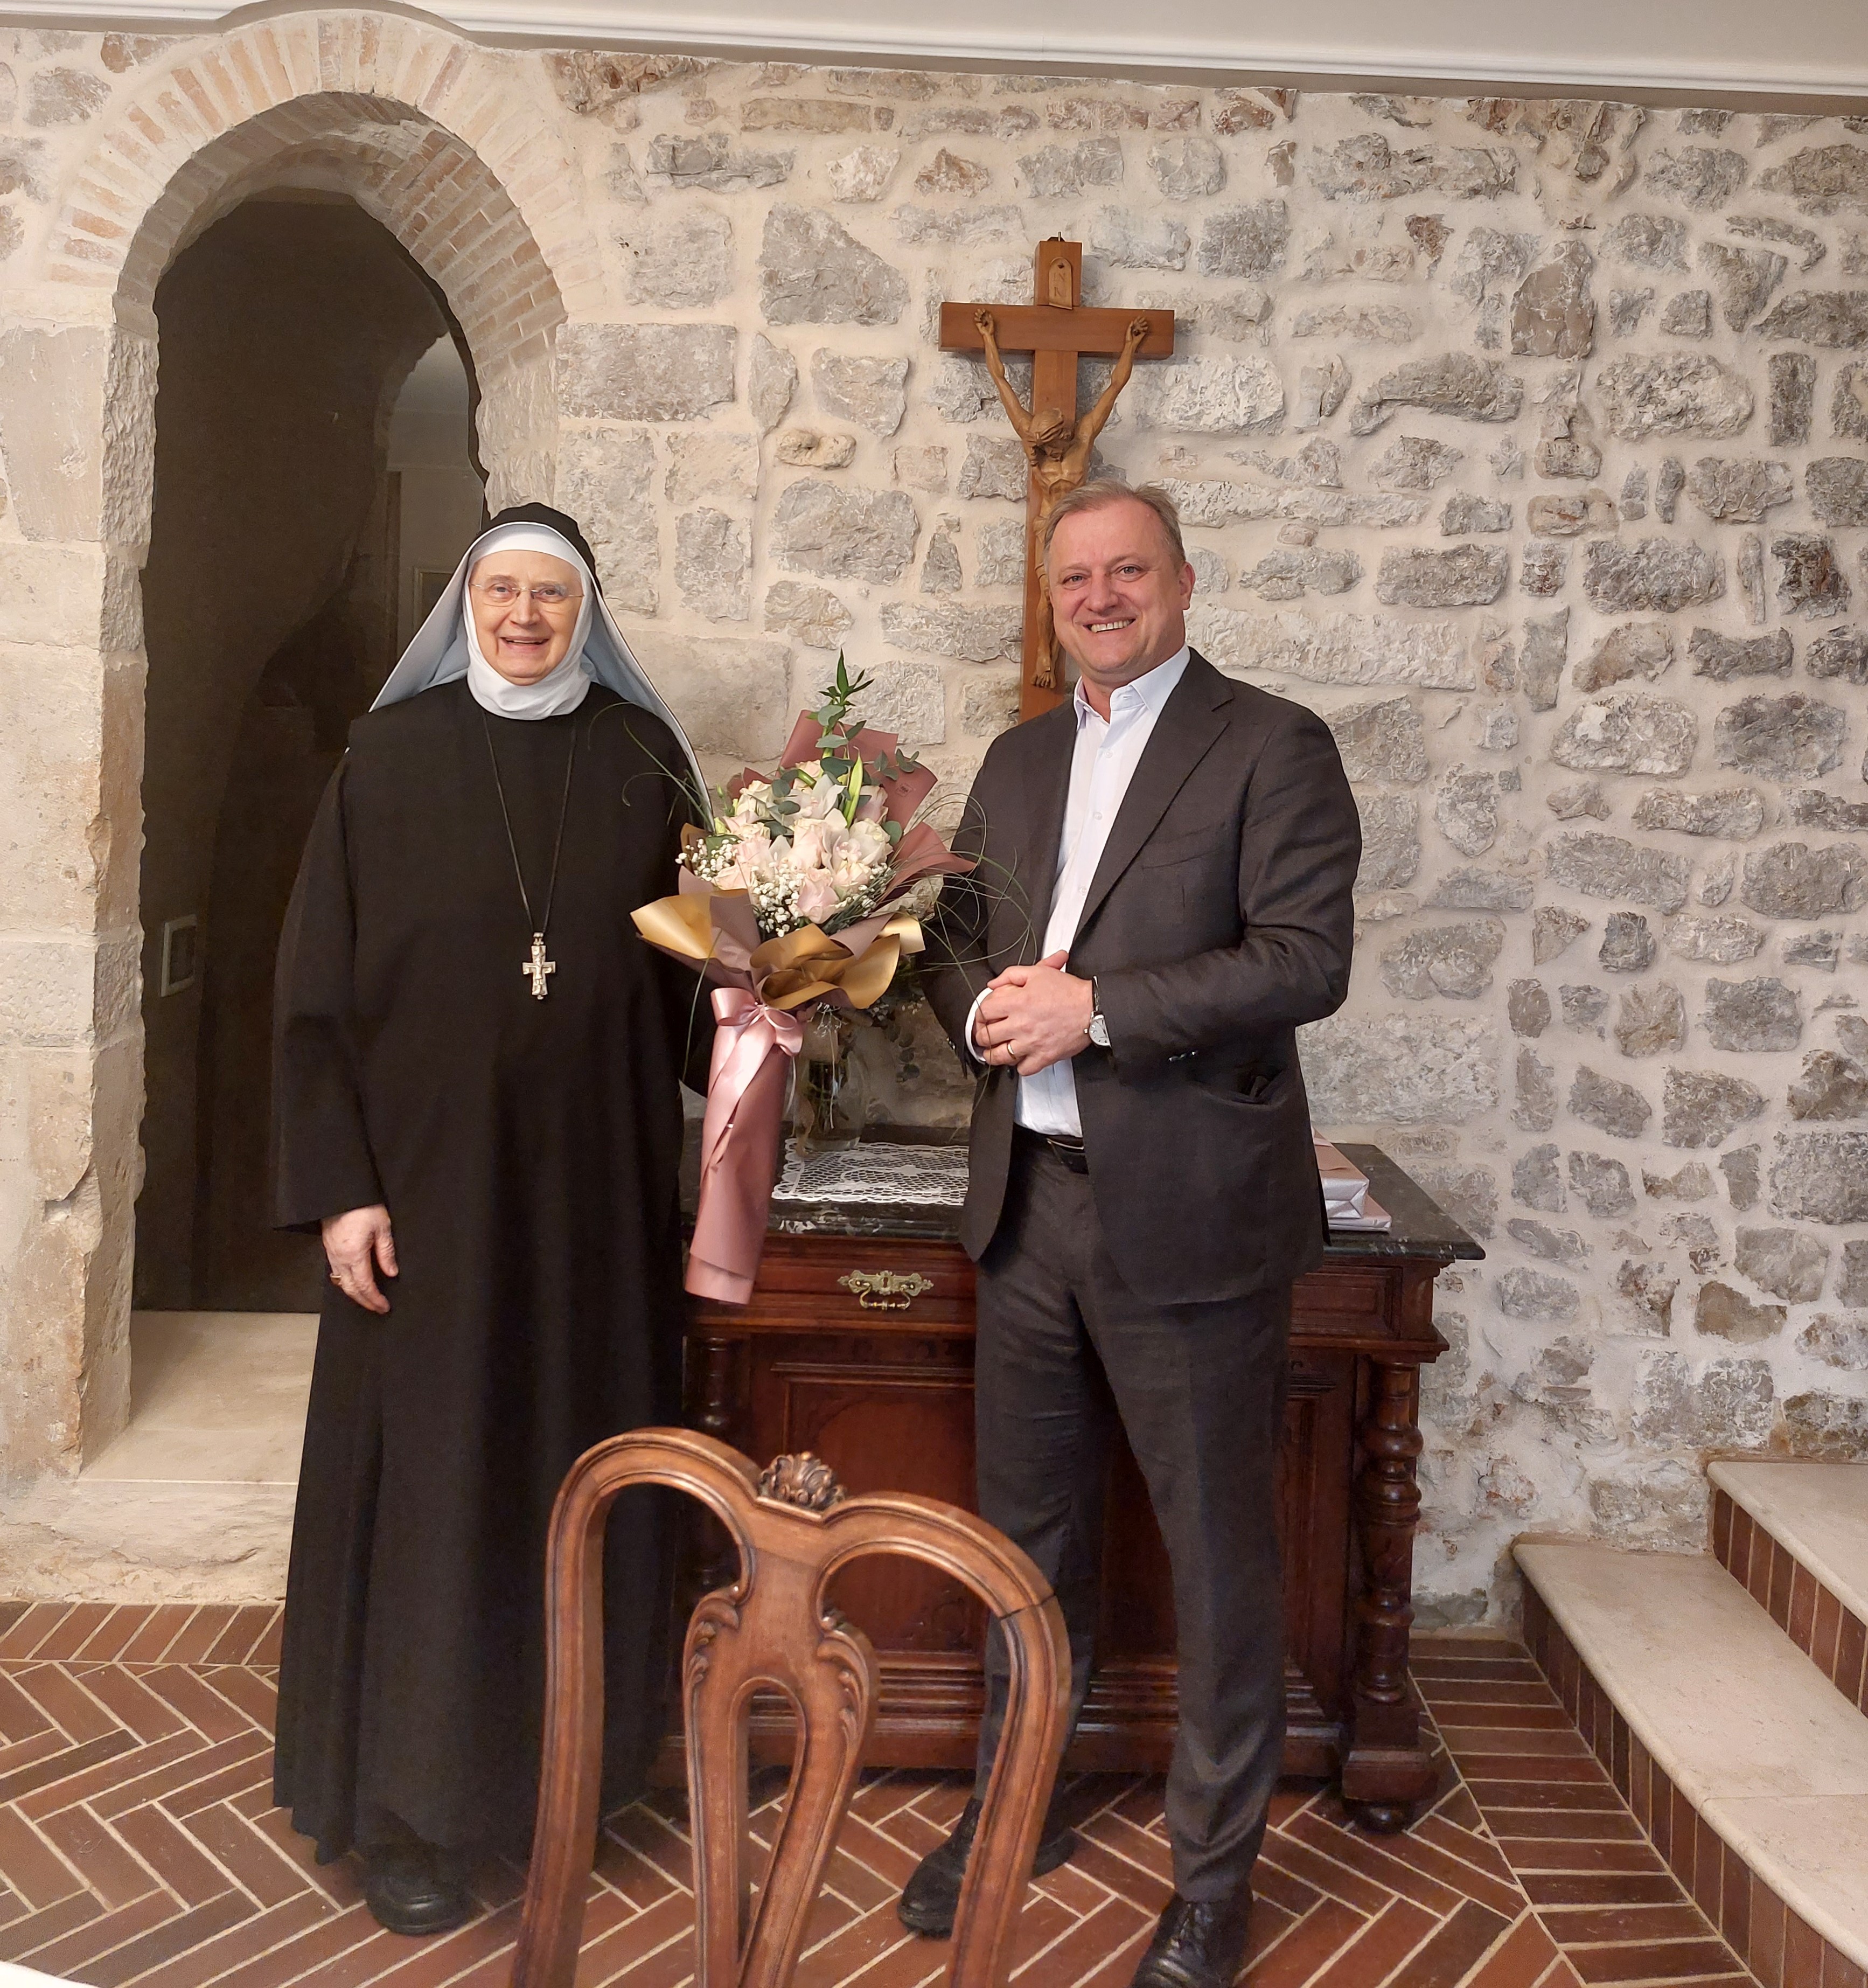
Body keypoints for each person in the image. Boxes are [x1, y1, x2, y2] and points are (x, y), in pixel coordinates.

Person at [907, 482, 1361, 1988]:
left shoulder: (1272, 744)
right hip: (1026, 1210)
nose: (1099, 597)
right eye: (1075, 580)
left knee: (1218, 1560)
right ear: (1052, 604)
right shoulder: (1020, 755)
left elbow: (1302, 960)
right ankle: (1014, 1803)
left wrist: (1095, 1011)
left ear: (1182, 580)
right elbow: (954, 940)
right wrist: (977, 1010)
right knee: (1025, 1544)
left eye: (1127, 572)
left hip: (1190, 1215)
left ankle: (1213, 1883)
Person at [270, 505, 708, 1935]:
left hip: (594, 1201)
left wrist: (789, 983)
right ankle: (407, 1807)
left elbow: (695, 988)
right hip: (426, 1202)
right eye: (502, 592)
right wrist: (340, 1188)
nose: (525, 618)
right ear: (465, 605)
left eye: (551, 597)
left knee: (575, 1470)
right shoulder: (386, 758)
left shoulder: (644, 761)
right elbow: (313, 996)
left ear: (588, 613)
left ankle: (569, 1777)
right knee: (435, 1485)